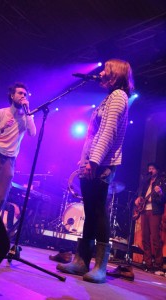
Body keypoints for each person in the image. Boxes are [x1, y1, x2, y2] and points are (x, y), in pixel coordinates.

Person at [57, 58, 134, 283]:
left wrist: (94, 161)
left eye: (106, 70)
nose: (101, 73)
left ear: (116, 74)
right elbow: (93, 135)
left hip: (102, 163)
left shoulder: (119, 97)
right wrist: (84, 160)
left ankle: (100, 266)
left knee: (98, 210)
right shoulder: (108, 98)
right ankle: (81, 261)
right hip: (91, 161)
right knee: (90, 211)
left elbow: (108, 132)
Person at [0, 82, 36, 213]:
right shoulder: (0, 112)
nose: (23, 96)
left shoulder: (27, 117)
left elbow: (32, 133)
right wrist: (2, 127)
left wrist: (28, 113)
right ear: (12, 95)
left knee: (0, 198)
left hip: (9, 160)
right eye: (20, 93)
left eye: (25, 95)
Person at [134, 163, 166, 274]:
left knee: (155, 238)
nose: (150, 170)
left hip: (155, 211)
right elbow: (141, 194)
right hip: (144, 211)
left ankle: (158, 264)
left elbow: (163, 199)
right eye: (149, 168)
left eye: (152, 168)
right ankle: (148, 264)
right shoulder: (146, 181)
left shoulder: (161, 181)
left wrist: (161, 193)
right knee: (145, 237)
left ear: (157, 170)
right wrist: (138, 198)